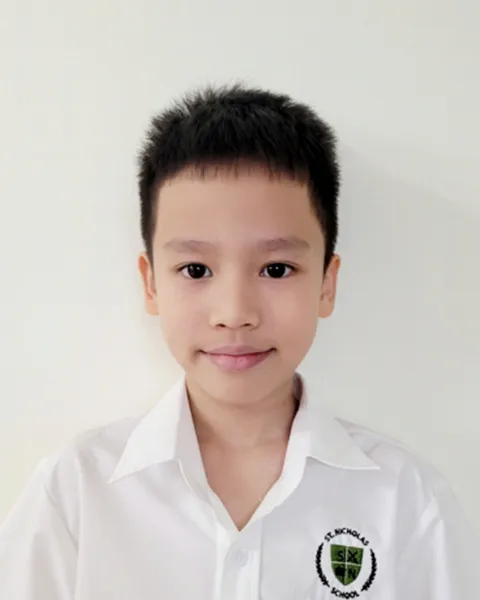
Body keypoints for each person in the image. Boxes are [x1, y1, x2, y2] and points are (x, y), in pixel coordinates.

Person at [0, 85, 477, 600]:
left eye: (277, 269)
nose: (235, 314)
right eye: (195, 269)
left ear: (326, 283)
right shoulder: (75, 494)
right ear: (151, 284)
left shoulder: (406, 501)